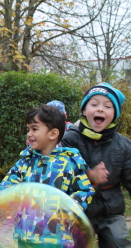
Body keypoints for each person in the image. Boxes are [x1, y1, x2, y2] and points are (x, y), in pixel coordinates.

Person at [0, 105, 95, 248]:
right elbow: (10, 182)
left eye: (34, 129)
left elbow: (85, 190)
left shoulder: (70, 162)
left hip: (56, 238)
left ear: (53, 134)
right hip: (26, 236)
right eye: (28, 129)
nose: (29, 134)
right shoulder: (25, 161)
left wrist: (70, 208)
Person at [61, 82, 131, 248]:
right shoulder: (70, 140)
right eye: (94, 104)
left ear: (114, 114)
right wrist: (89, 176)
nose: (100, 109)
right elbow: (64, 176)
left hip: (111, 210)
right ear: (84, 111)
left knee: (117, 241)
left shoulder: (124, 144)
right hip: (80, 210)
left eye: (108, 106)